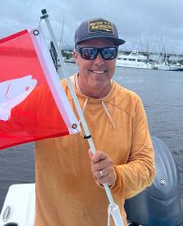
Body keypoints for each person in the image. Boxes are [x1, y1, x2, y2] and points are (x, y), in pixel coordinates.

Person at [35, 18, 156, 225]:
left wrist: (115, 176)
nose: (99, 61)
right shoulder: (48, 97)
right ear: (75, 57)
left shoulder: (132, 103)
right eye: (89, 52)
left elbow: (147, 169)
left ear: (116, 57)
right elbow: (1, 119)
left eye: (108, 52)